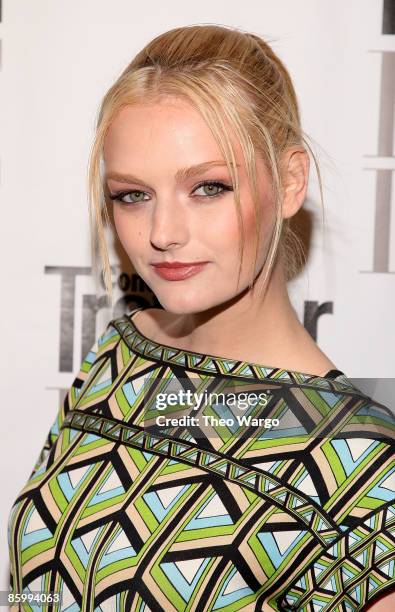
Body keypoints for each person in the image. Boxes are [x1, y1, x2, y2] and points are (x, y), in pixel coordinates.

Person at [7, 24, 394, 611]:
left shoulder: (366, 473)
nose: (163, 233)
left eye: (208, 188)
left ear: (289, 182)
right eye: (133, 195)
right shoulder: (117, 356)